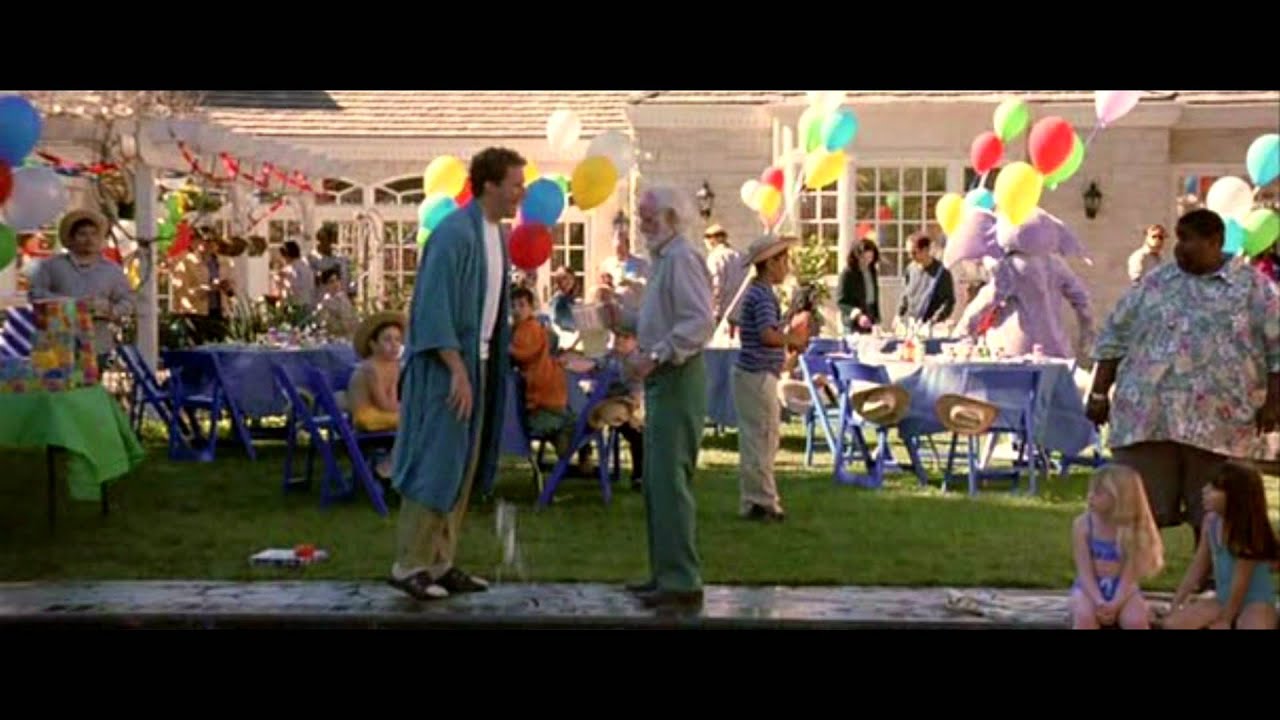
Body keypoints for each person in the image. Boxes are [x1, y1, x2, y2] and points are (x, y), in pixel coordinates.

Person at [1089, 209, 1279, 560]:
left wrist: (1273, 403)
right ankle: (1124, 581)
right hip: (1149, 418)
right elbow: (1113, 336)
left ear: (1215, 242)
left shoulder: (1253, 287)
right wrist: (1099, 392)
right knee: (1136, 507)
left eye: (1188, 240)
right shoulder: (1157, 282)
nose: (1179, 248)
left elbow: (1277, 348)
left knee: (1214, 512)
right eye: (1178, 239)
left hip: (1220, 423)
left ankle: (1210, 581)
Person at [388, 146, 524, 601]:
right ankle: (409, 564)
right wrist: (456, 369)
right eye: (515, 185)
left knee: (463, 466)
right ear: (489, 185)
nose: (521, 194)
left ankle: (440, 562)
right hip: (447, 369)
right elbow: (433, 307)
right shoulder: (453, 234)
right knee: (435, 462)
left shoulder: (496, 236)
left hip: (478, 365)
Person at [625, 185, 715, 610]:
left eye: (649, 218)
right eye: (641, 217)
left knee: (670, 481)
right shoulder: (663, 260)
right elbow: (657, 318)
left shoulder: (681, 258)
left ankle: (681, 580)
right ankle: (665, 573)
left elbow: (698, 322)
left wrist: (656, 354)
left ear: (673, 218)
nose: (643, 226)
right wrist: (620, 317)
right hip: (663, 378)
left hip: (678, 376)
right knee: (657, 483)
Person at [734, 235, 808, 522]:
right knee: (763, 438)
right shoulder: (763, 295)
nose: (786, 267)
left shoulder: (756, 293)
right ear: (770, 263)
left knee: (755, 439)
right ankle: (764, 502)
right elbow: (767, 334)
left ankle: (753, 499)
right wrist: (793, 339)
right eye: (783, 260)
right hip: (758, 375)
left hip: (752, 374)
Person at [1163, 461, 1278, 630]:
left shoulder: (1247, 531)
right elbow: (1198, 566)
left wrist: (1226, 619)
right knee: (1172, 624)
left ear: (1237, 496)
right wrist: (1176, 602)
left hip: (1256, 601)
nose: (1205, 491)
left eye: (1214, 488)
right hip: (1223, 598)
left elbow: (1241, 583)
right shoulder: (1211, 522)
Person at [29, 209, 133, 369]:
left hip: (97, 344)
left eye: (94, 234)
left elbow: (127, 302)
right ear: (71, 239)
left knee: (92, 383)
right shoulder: (52, 266)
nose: (89, 239)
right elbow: (35, 294)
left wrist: (110, 309)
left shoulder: (113, 271)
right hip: (58, 344)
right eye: (82, 234)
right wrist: (69, 303)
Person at [1069, 465, 1164, 630]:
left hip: (1124, 589)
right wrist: (1099, 601)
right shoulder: (1083, 525)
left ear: (1120, 498)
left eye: (1099, 492)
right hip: (1088, 588)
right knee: (1084, 617)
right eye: (1091, 490)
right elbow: (1084, 571)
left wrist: (1116, 603)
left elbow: (1129, 576)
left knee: (1135, 621)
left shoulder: (1132, 530)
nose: (1090, 496)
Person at [509, 285, 575, 463]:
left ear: (531, 307)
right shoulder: (525, 328)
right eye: (513, 306)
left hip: (544, 395)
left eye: (521, 305)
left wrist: (507, 349)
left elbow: (524, 353)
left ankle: (568, 449)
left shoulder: (530, 329)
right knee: (566, 424)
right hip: (545, 394)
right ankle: (567, 454)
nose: (516, 310)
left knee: (560, 422)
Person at [348, 311, 404, 483]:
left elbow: (392, 398)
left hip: (382, 412)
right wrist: (404, 409)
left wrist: (400, 407)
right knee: (412, 421)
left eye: (397, 340)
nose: (394, 345)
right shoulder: (371, 368)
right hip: (366, 416)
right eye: (387, 340)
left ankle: (394, 460)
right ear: (373, 345)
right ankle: (388, 464)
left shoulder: (393, 366)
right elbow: (383, 404)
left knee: (414, 419)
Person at [169, 228, 235, 345]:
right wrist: (209, 288)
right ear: (194, 242)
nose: (208, 245)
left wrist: (227, 287)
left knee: (220, 346)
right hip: (196, 314)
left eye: (212, 241)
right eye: (204, 241)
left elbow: (232, 289)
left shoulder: (225, 262)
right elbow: (183, 292)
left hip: (219, 313)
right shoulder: (184, 262)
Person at [897, 232, 955, 326]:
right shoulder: (910, 269)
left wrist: (935, 320)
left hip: (931, 326)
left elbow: (948, 301)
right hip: (911, 324)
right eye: (908, 253)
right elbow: (905, 295)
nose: (910, 257)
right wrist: (899, 315)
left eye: (914, 253)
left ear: (925, 250)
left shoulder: (942, 273)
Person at [703, 223, 747, 331]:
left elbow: (715, 287)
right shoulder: (741, 256)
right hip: (743, 316)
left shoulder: (715, 258)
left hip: (724, 318)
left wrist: (714, 314)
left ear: (712, 240)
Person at [837, 238, 881, 334]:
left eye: (870, 258)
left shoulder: (872, 271)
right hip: (853, 322)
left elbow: (874, 297)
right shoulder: (847, 273)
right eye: (864, 258)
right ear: (857, 256)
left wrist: (877, 319)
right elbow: (841, 302)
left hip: (870, 316)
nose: (867, 261)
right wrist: (858, 315)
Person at [313, 268, 359, 339]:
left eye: (337, 280)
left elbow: (353, 318)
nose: (336, 284)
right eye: (331, 282)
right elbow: (326, 325)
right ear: (325, 285)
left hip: (352, 336)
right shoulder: (325, 304)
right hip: (337, 339)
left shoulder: (344, 298)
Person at [309, 223, 353, 296]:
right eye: (319, 240)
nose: (321, 243)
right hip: (319, 297)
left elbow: (346, 280)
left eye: (324, 240)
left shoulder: (340, 259)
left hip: (338, 298)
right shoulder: (312, 259)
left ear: (330, 241)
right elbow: (311, 281)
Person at [277, 240, 315, 308]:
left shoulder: (297, 268)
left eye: (282, 256)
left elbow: (299, 285)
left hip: (298, 304)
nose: (282, 259)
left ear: (287, 255)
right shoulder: (303, 266)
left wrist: (285, 279)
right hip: (303, 302)